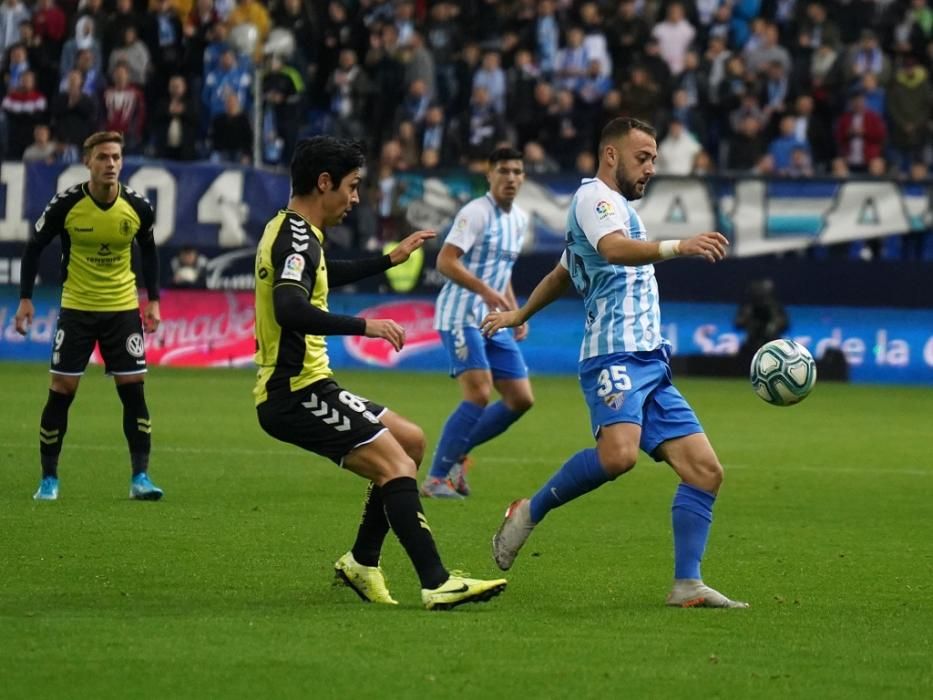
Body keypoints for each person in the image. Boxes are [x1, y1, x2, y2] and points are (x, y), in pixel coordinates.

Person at [482, 117, 748, 609]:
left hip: (650, 360)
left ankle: (687, 584)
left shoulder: (616, 209)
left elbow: (565, 272)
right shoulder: (595, 200)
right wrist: (679, 245)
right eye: (642, 158)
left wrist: (520, 312)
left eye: (653, 160)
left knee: (705, 471)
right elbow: (612, 250)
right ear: (611, 155)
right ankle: (529, 510)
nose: (650, 168)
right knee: (619, 456)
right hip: (613, 353)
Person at [253, 136, 507, 610]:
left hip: (311, 386)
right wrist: (364, 325)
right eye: (351, 187)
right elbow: (290, 307)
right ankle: (436, 581)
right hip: (293, 392)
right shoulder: (295, 237)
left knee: (409, 442)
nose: (354, 199)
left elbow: (321, 273)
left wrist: (387, 261)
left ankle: (362, 561)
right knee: (395, 464)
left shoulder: (298, 234)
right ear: (323, 182)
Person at [15, 131, 164, 502]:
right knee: (62, 392)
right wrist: (25, 299)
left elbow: (149, 252)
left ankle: (140, 478)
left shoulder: (137, 207)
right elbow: (34, 247)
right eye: (103, 158)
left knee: (134, 390)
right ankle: (49, 479)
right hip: (77, 310)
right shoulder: (67, 205)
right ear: (88, 163)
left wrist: (154, 300)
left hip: (122, 311)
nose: (110, 164)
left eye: (115, 157)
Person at [421, 146, 534, 499]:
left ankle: (457, 453)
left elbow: (504, 269)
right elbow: (446, 261)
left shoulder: (520, 219)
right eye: (503, 171)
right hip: (460, 314)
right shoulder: (476, 213)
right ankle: (436, 479)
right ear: (489, 174)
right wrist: (485, 291)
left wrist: (515, 311)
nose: (511, 178)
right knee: (480, 393)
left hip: (492, 319)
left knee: (520, 398)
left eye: (517, 171)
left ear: (523, 177)